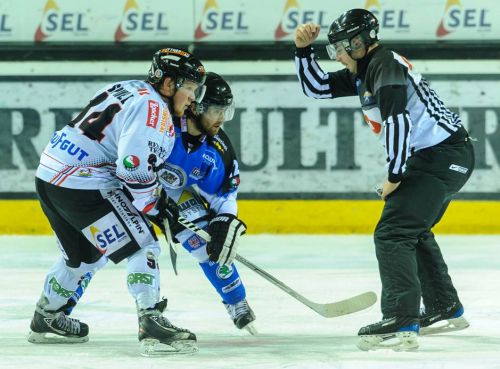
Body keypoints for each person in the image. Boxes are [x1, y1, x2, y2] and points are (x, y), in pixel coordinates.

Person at [294, 9, 474, 351]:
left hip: (441, 156)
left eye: (339, 49)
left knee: (392, 232)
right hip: (442, 156)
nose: (337, 56)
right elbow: (316, 88)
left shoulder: (384, 66)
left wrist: (394, 174)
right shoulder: (365, 70)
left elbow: (397, 122)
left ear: (359, 43)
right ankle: (443, 305)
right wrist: (303, 51)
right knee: (411, 228)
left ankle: (400, 318)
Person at [28, 47, 207, 356]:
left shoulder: (127, 87)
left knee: (84, 257)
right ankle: (149, 318)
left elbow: (126, 160)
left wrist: (151, 199)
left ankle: (46, 317)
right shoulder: (154, 110)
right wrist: (152, 204)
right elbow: (133, 167)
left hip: (50, 176)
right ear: (168, 84)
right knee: (143, 244)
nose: (193, 97)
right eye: (189, 88)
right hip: (82, 182)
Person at [150, 72, 255, 333]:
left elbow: (224, 194)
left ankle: (236, 301)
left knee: (208, 243)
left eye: (225, 110)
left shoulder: (217, 151)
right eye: (216, 110)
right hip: (132, 187)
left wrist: (224, 219)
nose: (221, 118)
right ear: (196, 106)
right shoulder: (161, 125)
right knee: (104, 248)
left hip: (173, 194)